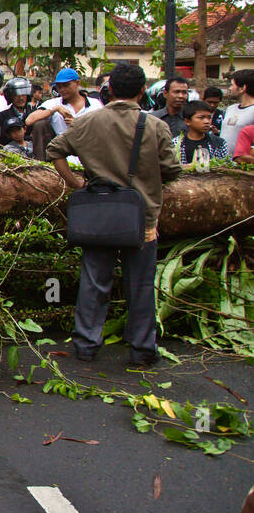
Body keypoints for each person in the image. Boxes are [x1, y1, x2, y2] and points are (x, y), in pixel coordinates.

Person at [46, 62, 182, 366]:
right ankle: (142, 350)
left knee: (94, 283)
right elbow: (172, 171)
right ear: (143, 90)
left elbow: (54, 150)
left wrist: (76, 183)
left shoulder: (86, 122)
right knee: (141, 286)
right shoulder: (155, 126)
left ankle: (86, 346)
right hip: (142, 220)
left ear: (108, 90)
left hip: (99, 216)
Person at [26, 67, 101, 160]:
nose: (62, 89)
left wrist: (78, 124)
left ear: (77, 83)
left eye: (66, 85)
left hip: (88, 153)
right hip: (60, 156)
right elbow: (29, 120)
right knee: (40, 124)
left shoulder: (95, 104)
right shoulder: (54, 103)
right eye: (59, 86)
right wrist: (55, 109)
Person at [174, 101, 228, 167]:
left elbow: (226, 166)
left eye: (209, 117)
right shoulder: (175, 144)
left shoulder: (219, 144)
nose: (207, 121)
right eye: (201, 117)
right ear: (188, 121)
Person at [219, 69, 254, 154]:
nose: (230, 88)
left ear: (242, 88)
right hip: (222, 163)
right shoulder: (231, 108)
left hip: (243, 163)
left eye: (232, 85)